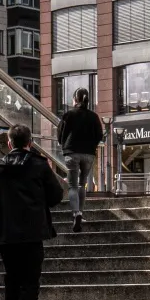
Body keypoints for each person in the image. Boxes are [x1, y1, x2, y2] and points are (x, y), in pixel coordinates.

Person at [0, 124, 62, 300]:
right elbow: (56, 195)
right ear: (30, 143)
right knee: (30, 282)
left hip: (6, 235)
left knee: (12, 279)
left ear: (9, 144)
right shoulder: (39, 165)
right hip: (32, 234)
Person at [56, 90, 103, 232]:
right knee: (82, 184)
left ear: (74, 99)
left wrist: (65, 144)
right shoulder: (94, 116)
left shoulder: (68, 115)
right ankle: (81, 214)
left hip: (72, 153)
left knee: (72, 186)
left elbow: (60, 135)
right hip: (88, 154)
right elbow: (99, 135)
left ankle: (75, 213)